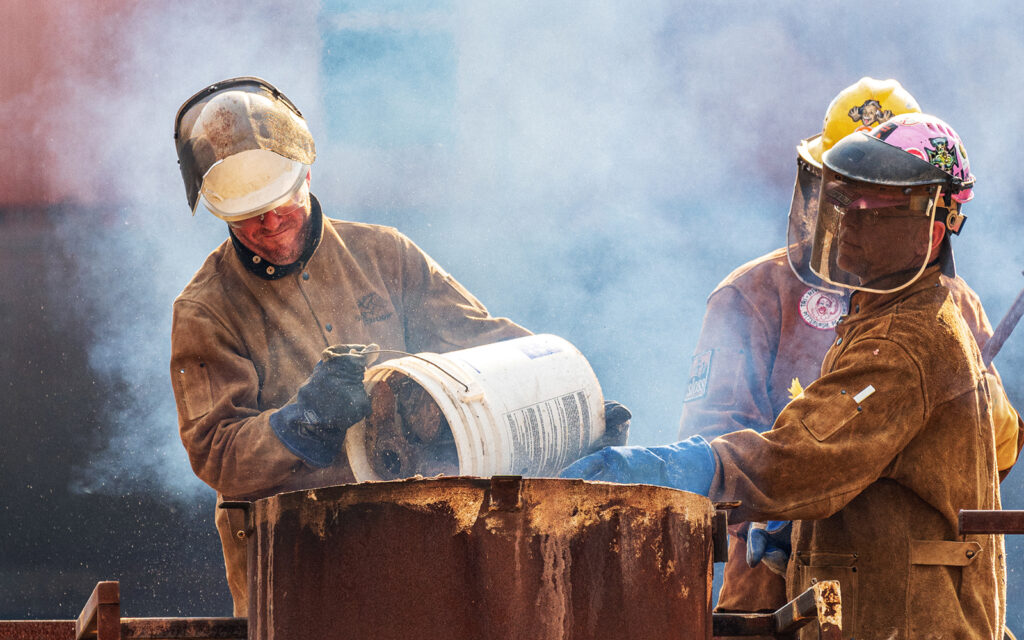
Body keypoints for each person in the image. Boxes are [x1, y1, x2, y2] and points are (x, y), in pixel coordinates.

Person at [565, 113, 1005, 638]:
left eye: (871, 212)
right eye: (843, 204)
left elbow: (802, 457)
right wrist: (796, 532)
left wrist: (673, 470)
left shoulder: (904, 343)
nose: (846, 224)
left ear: (929, 233)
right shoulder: (879, 317)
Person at [168, 77, 539, 616]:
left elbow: (480, 343)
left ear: (306, 175)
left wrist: (555, 380)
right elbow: (218, 454)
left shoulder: (385, 255)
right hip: (294, 567)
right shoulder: (206, 310)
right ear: (219, 211)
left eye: (278, 204)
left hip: (416, 540)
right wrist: (305, 420)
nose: (269, 225)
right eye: (248, 216)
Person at [678, 78, 1022, 620]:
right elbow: (708, 444)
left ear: (926, 222)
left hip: (889, 603)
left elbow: (993, 455)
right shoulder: (754, 293)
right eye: (845, 195)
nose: (851, 219)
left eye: (879, 203)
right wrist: (774, 511)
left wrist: (954, 402)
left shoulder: (934, 316)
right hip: (769, 597)